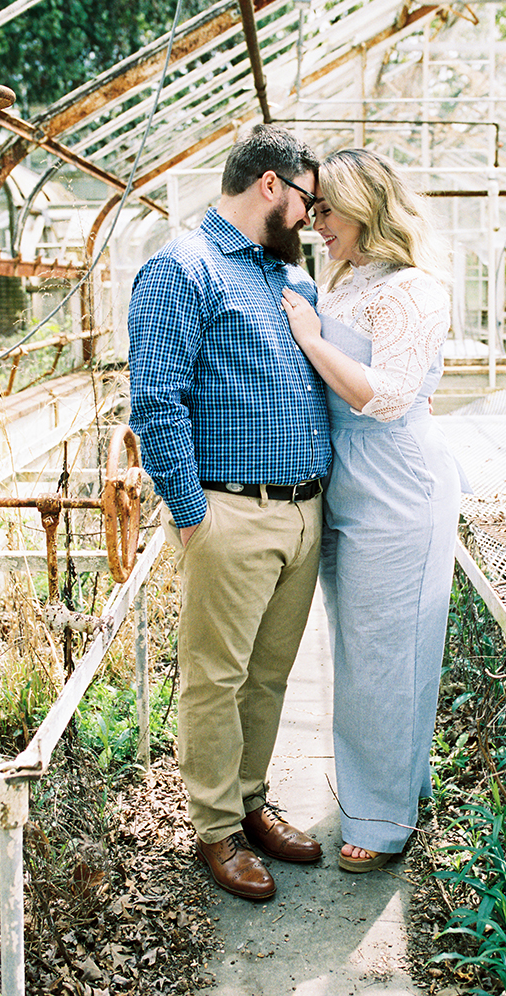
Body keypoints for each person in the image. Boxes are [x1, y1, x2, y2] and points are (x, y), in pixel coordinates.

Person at [127, 125, 331, 901]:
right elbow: (156, 399)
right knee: (216, 676)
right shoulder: (185, 269)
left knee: (269, 675)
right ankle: (214, 826)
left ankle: (250, 802)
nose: (312, 217)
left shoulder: (286, 278)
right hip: (231, 513)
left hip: (301, 511)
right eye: (307, 200)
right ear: (271, 184)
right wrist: (191, 514)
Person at [282, 148, 462, 872]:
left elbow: (385, 397)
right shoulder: (346, 281)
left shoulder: (412, 291)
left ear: (364, 208)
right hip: (346, 479)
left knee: (386, 656)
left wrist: (310, 337)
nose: (314, 222)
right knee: (362, 652)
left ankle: (383, 820)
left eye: (325, 210)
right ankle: (392, 788)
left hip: (396, 482)